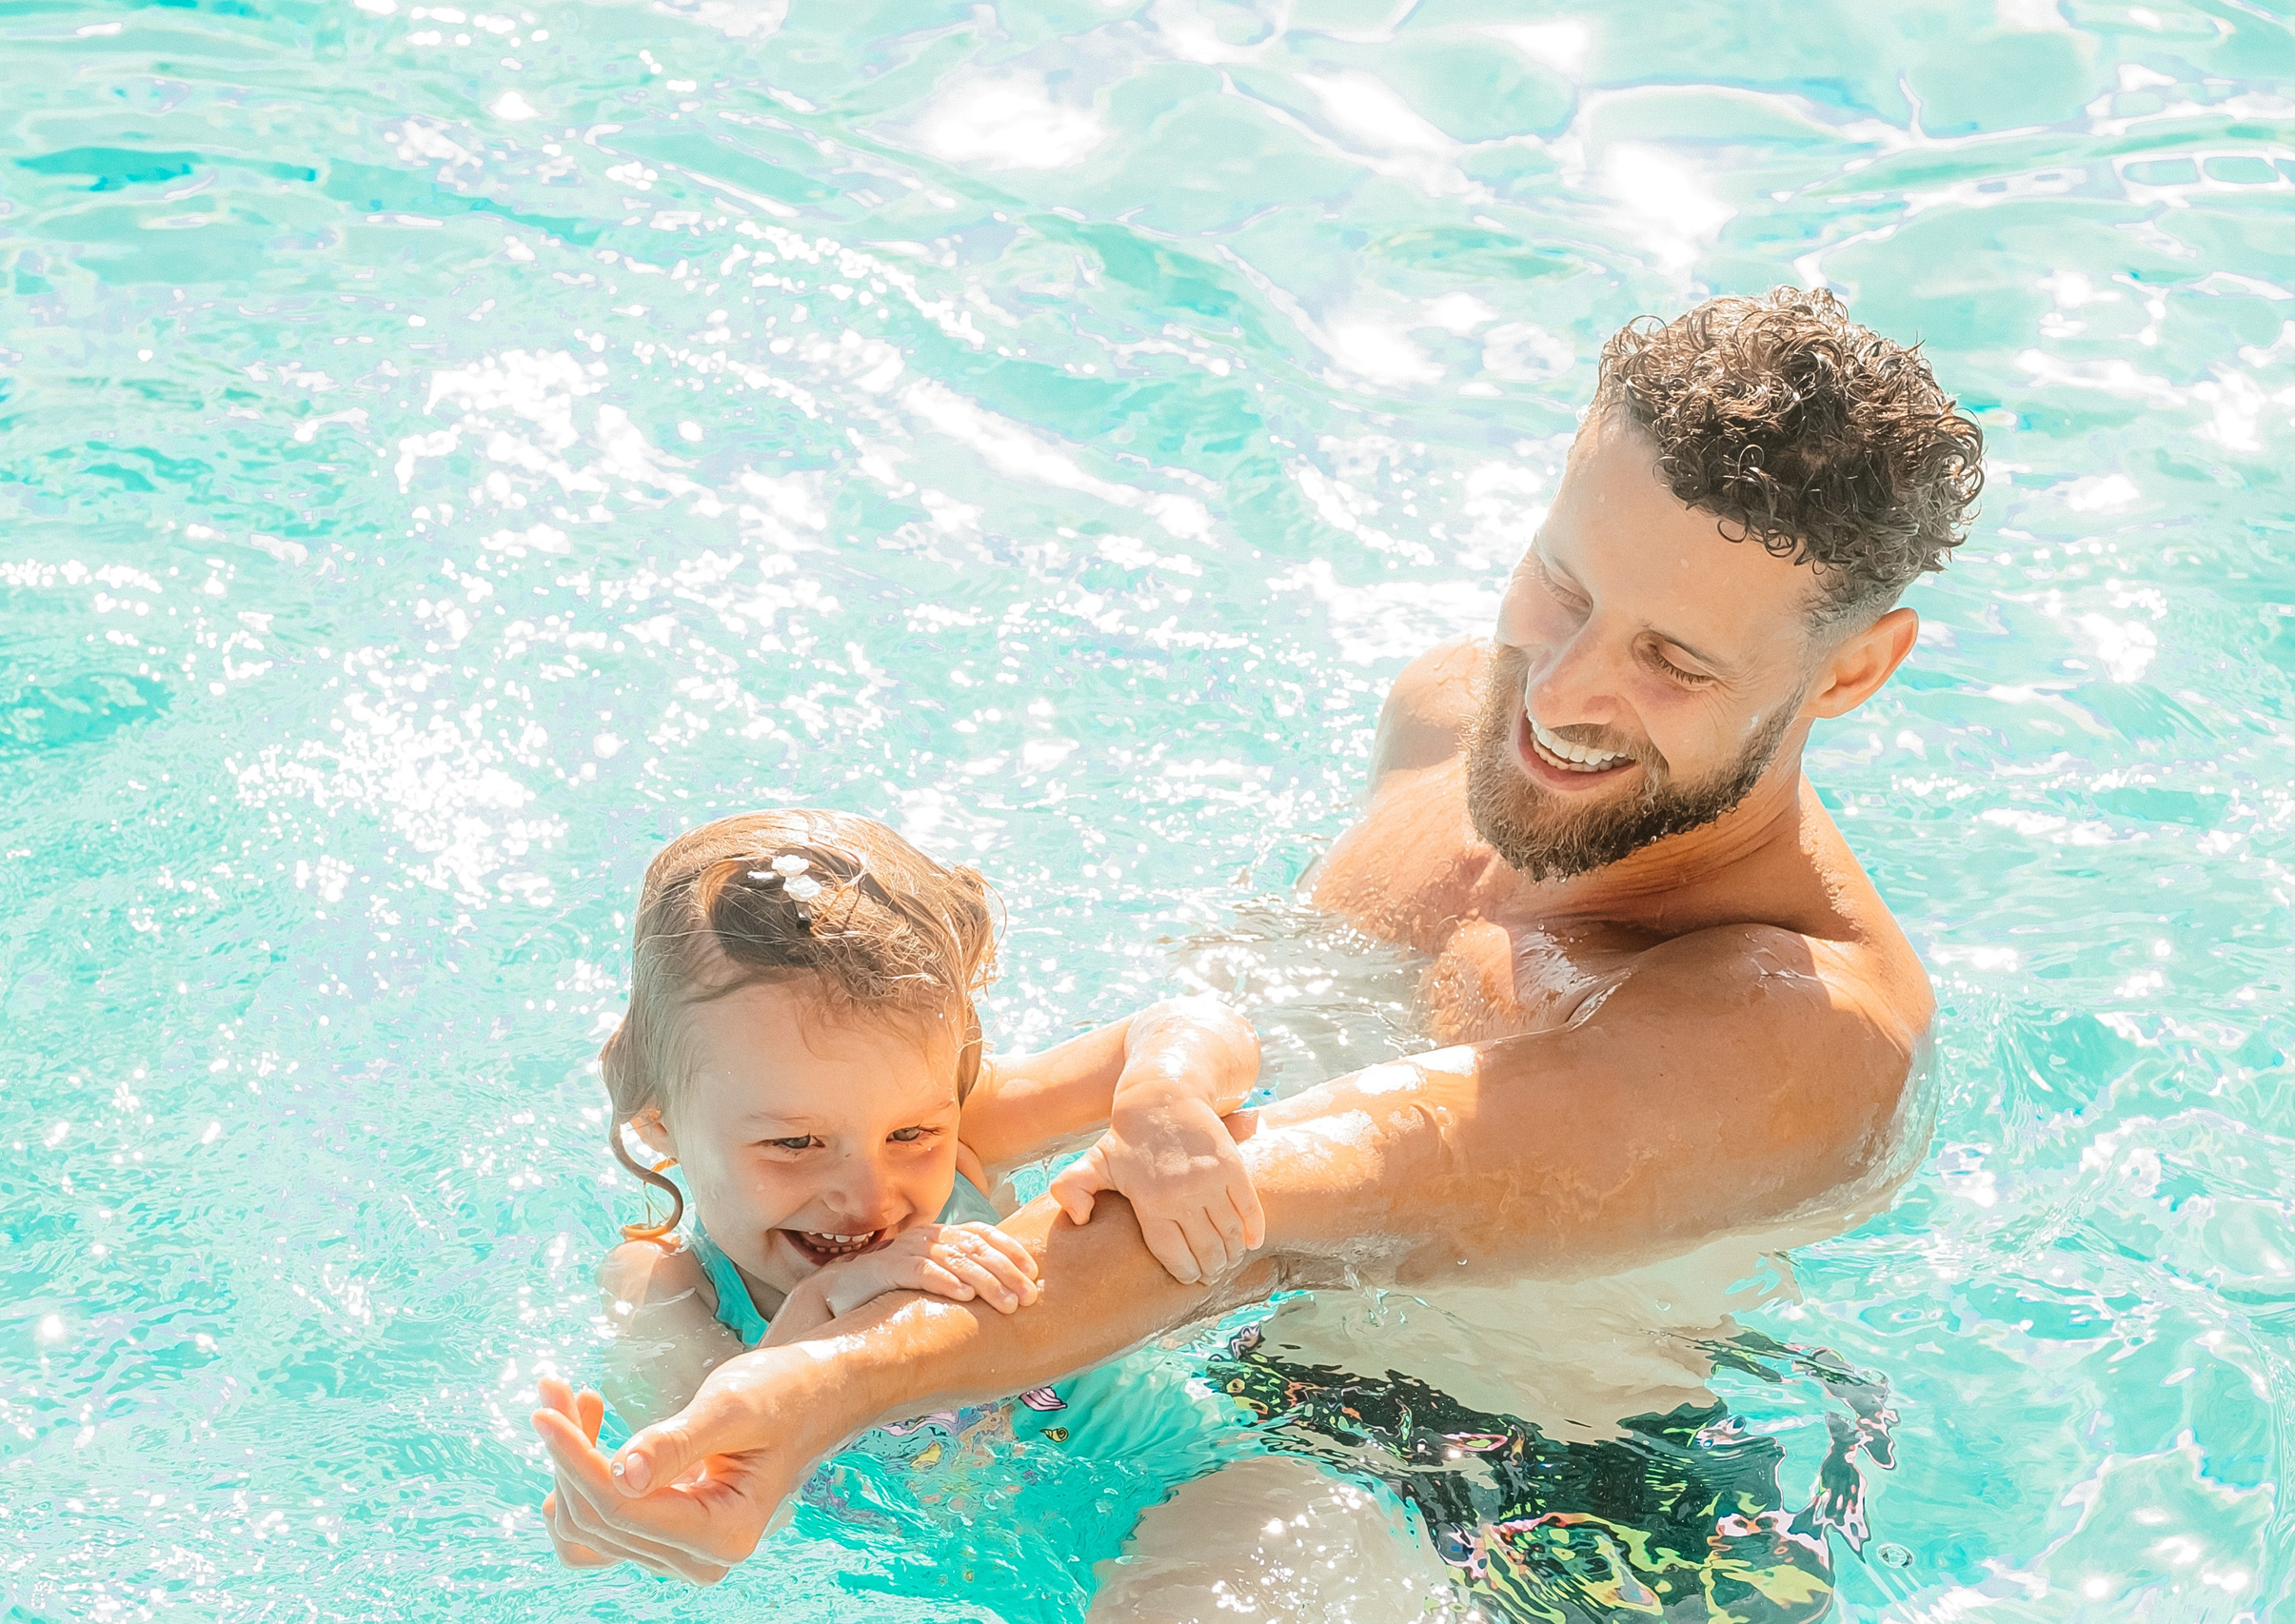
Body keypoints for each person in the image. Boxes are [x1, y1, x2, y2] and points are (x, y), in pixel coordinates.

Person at [531, 287, 1986, 1598]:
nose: (1561, 691)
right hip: (1180, 1418)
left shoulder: (1800, 1026)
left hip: (1530, 1513)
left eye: (1673, 658)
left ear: (1850, 668)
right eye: (1563, 581)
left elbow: (1242, 1220)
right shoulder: (1447, 726)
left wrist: (819, 1383)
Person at [543, 807, 1443, 1613]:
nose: (868, 1197)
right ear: (661, 1123)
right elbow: (717, 1486)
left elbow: (1190, 1025)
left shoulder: (971, 1133)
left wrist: (1162, 1099)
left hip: (1194, 1488)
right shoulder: (665, 1284)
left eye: (910, 1135)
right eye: (793, 1145)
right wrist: (824, 1310)